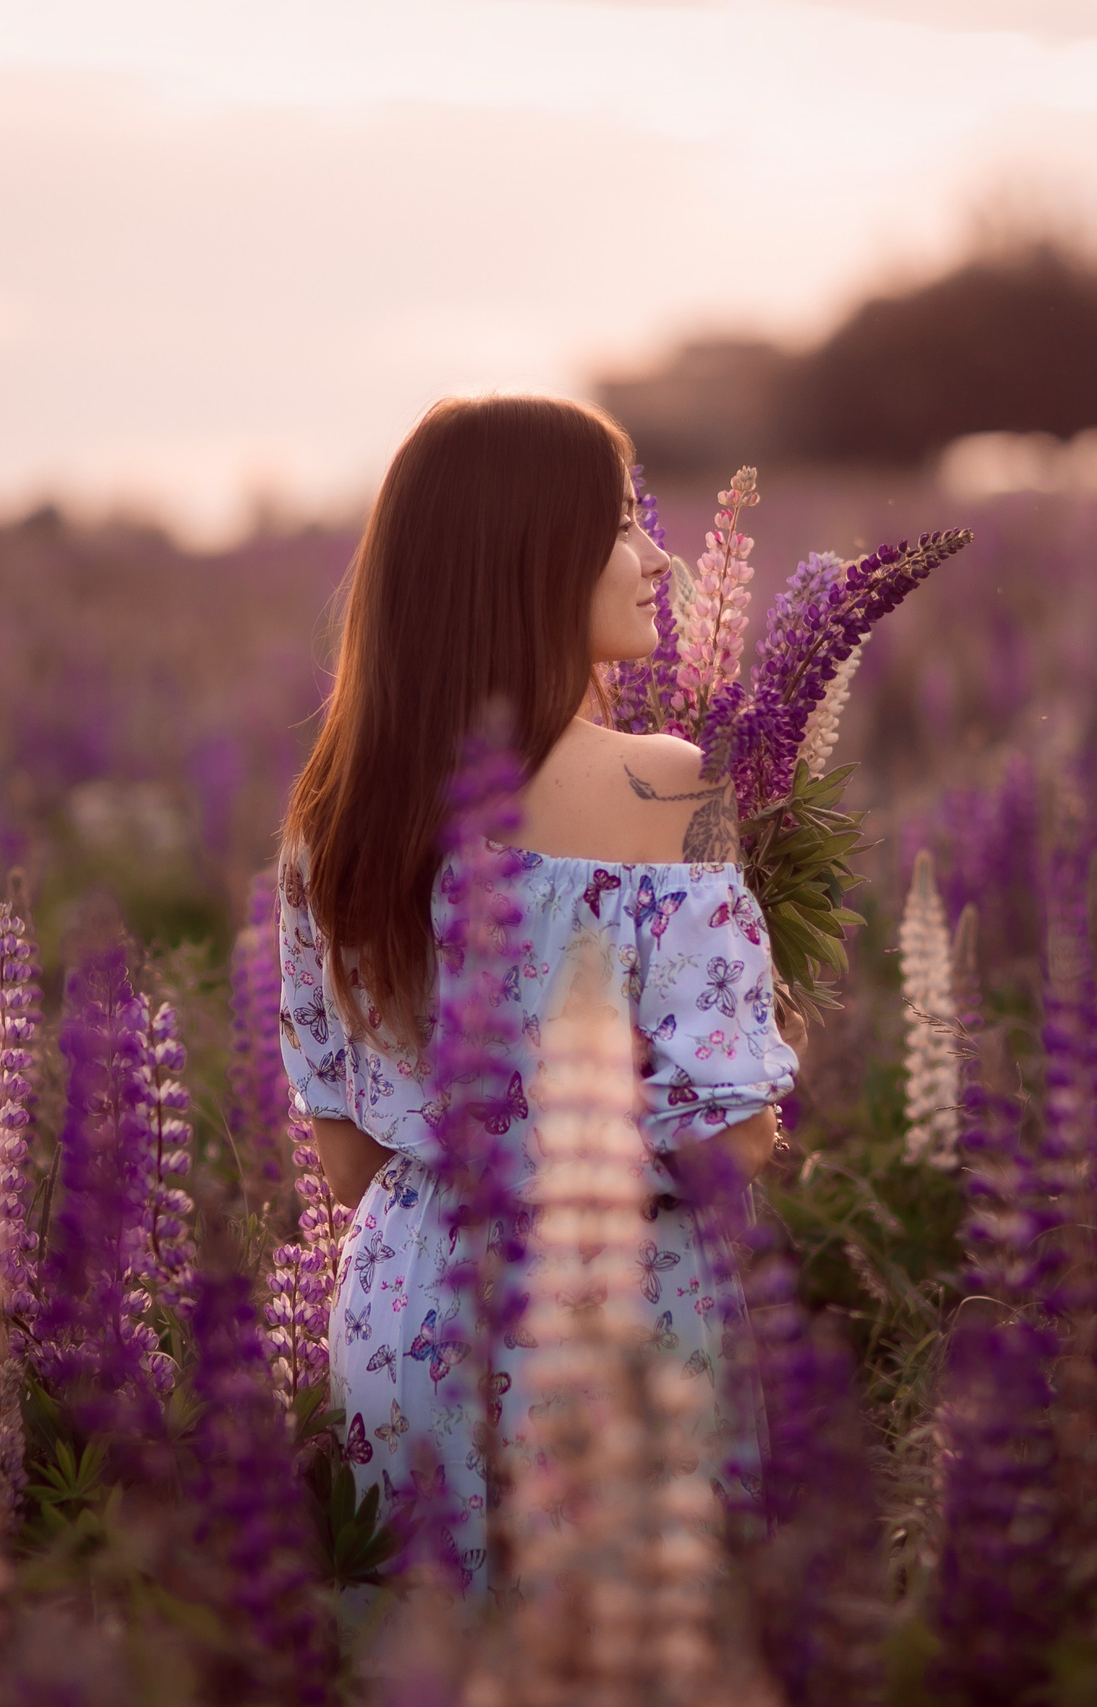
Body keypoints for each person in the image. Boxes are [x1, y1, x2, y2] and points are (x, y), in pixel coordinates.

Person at [276, 393, 797, 1589]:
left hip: (406, 1319)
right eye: (621, 526)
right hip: (619, 1317)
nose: (657, 554)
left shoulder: (332, 821)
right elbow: (735, 1142)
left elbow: (350, 1165)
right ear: (532, 560)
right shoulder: (673, 786)